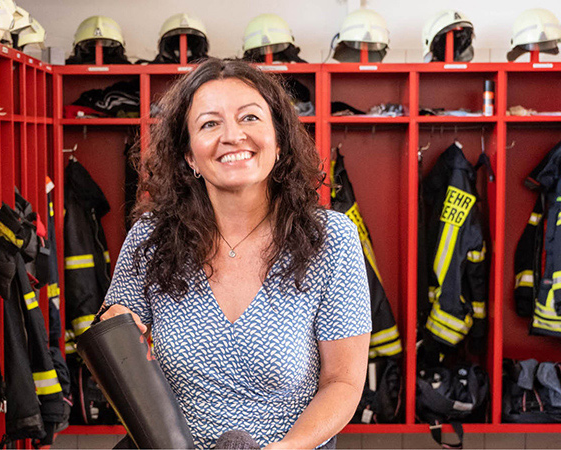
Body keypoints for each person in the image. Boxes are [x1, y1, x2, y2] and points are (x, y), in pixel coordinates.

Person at [99, 58, 371, 449]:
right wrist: (114, 330)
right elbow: (118, 367)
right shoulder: (151, 239)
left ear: (279, 140)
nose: (232, 136)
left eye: (250, 118)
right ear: (190, 155)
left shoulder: (331, 239)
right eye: (210, 124)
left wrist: (287, 449)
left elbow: (342, 382)